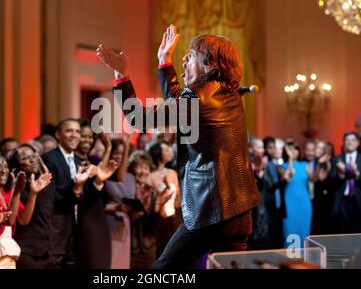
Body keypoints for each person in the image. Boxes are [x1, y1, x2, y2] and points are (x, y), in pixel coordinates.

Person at [97, 24, 259, 268]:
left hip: (211, 213)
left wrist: (122, 75)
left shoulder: (195, 100)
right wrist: (165, 62)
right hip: (240, 213)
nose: (184, 58)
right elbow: (181, 103)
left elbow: (138, 119)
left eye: (192, 54)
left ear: (210, 65)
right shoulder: (230, 94)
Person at [43, 118, 117, 269]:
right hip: (58, 227)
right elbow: (51, 196)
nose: (74, 135)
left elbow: (88, 199)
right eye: (69, 131)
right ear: (58, 134)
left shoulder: (80, 161)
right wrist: (75, 185)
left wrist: (98, 182)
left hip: (81, 228)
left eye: (77, 131)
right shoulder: (49, 159)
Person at [0, 153, 50, 268]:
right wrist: (17, 192)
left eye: (6, 167)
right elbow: (9, 221)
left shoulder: (7, 193)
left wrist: (33, 193)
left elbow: (24, 220)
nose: (4, 171)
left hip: (7, 252)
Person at [8, 144, 54, 268]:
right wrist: (33, 192)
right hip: (25, 251)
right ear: (15, 165)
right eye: (24, 158)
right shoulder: (15, 189)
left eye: (33, 156)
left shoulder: (42, 183)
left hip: (47, 250)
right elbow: (23, 220)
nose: (32, 160)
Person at [104, 135, 136, 269]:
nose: (119, 156)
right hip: (108, 223)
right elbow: (96, 207)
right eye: (117, 153)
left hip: (125, 224)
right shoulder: (105, 175)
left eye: (123, 154)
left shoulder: (130, 177)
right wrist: (116, 207)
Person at [330, 132, 361, 233]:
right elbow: (331, 182)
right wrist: (341, 174)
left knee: (359, 233)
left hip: (359, 201)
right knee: (342, 232)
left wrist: (357, 173)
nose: (349, 142)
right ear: (344, 142)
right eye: (347, 140)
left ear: (357, 143)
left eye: (352, 140)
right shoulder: (336, 159)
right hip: (342, 200)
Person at [148, 142, 181, 257]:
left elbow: (178, 201)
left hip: (174, 217)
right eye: (166, 150)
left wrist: (176, 192)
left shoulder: (172, 173)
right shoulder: (151, 176)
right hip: (158, 220)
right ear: (159, 154)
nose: (169, 152)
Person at [281, 141, 312, 248]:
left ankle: (304, 262)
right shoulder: (281, 166)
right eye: (290, 149)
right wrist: (290, 159)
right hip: (289, 203)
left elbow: (314, 179)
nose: (293, 152)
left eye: (295, 149)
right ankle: (290, 261)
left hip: (304, 203)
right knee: (290, 231)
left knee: (303, 232)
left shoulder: (305, 165)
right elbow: (289, 176)